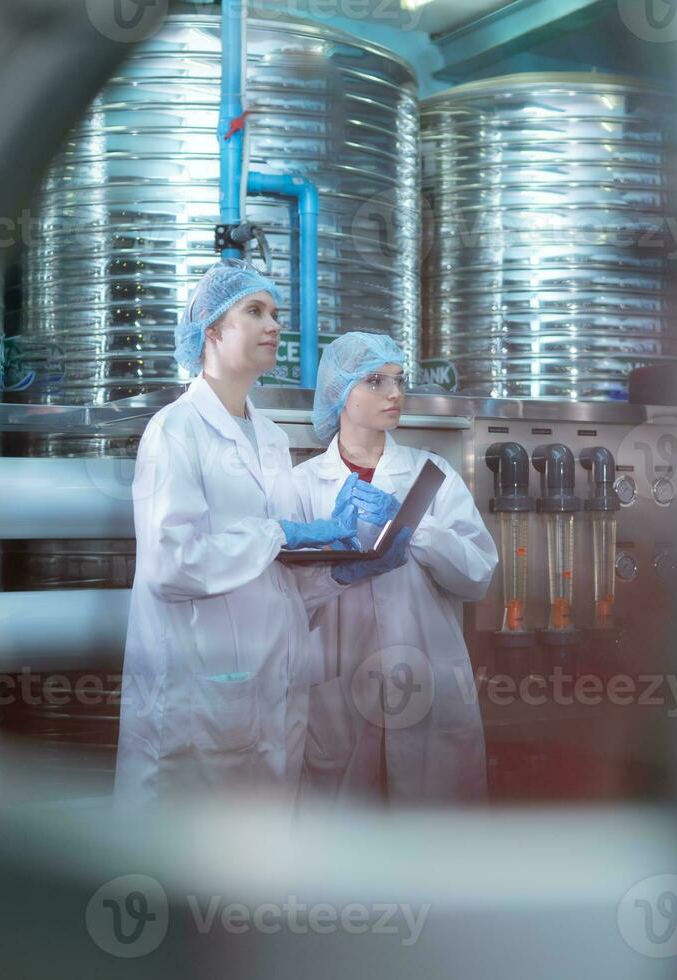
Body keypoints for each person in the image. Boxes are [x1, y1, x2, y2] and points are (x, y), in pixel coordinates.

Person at [115, 260, 399, 807]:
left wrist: (341, 571)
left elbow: (279, 579)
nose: (274, 325)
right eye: (255, 311)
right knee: (184, 876)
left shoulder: (269, 438)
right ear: (211, 332)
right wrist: (277, 533)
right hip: (197, 698)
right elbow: (170, 565)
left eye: (275, 313)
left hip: (272, 691)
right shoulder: (175, 431)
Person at [291, 332, 498, 807]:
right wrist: (338, 575)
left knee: (436, 854)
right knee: (341, 853)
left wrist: (412, 528)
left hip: (427, 684)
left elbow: (478, 576)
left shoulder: (432, 476)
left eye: (398, 380)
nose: (394, 393)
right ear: (338, 394)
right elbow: (284, 600)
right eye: (374, 381)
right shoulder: (303, 486)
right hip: (336, 690)